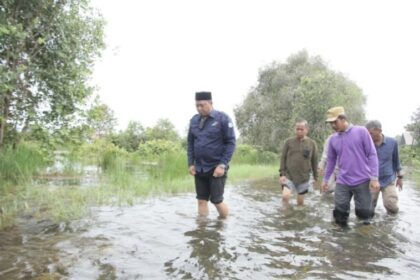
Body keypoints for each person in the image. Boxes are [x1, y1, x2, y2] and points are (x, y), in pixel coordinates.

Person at [321, 106, 380, 226]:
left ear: (343, 119)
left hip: (362, 180)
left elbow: (372, 154)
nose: (332, 125)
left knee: (364, 216)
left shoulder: (361, 131)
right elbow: (331, 161)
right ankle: (342, 241)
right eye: (330, 123)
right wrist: (325, 180)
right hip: (343, 181)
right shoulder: (333, 139)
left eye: (334, 122)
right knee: (339, 214)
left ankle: (360, 241)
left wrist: (374, 178)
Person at [187, 91, 236, 218]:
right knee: (201, 200)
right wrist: (190, 163)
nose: (199, 108)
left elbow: (231, 143)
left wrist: (222, 164)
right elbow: (190, 143)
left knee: (217, 200)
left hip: (216, 167)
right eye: (197, 105)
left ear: (211, 103)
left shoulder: (223, 118)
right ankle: (202, 230)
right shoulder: (193, 120)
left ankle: (224, 225)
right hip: (199, 168)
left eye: (202, 105)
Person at [366, 120, 403, 214]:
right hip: (371, 180)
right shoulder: (366, 144)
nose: (369, 136)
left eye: (371, 133)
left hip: (388, 179)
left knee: (392, 206)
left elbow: (396, 160)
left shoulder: (392, 142)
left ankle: (390, 225)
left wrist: (400, 177)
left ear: (379, 130)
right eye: (367, 134)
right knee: (368, 209)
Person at [279, 119, 318, 206]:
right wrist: (282, 174)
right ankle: (285, 217)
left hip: (304, 177)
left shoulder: (312, 143)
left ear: (307, 130)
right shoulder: (288, 142)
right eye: (297, 129)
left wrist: (315, 177)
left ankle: (298, 218)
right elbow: (283, 158)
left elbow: (314, 161)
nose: (299, 131)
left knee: (300, 203)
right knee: (285, 196)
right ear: (294, 129)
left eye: (302, 129)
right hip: (289, 176)